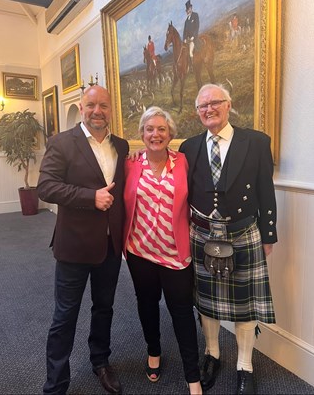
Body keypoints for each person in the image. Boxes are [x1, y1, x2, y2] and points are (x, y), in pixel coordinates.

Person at [179, 84, 277, 395]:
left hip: (243, 232)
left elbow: (265, 190)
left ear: (228, 105)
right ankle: (212, 354)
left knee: (245, 305)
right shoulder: (189, 147)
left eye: (215, 102)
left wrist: (269, 233)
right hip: (202, 234)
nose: (209, 109)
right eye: (202, 106)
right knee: (206, 302)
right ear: (197, 112)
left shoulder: (257, 142)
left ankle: (245, 365)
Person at [37, 85, 129, 395]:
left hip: (110, 247)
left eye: (103, 105)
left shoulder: (123, 146)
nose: (97, 111)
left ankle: (100, 362)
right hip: (74, 247)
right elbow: (46, 187)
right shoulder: (62, 143)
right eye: (91, 105)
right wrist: (90, 197)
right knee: (65, 316)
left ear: (110, 109)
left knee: (104, 309)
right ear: (81, 106)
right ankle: (56, 383)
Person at [123, 106, 202, 395]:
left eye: (161, 129)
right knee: (147, 304)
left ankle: (192, 373)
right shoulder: (130, 164)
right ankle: (153, 351)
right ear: (142, 134)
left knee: (181, 311)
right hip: (139, 251)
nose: (155, 134)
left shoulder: (184, 161)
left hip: (175, 255)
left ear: (170, 134)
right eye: (149, 129)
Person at [183, 0, 200, 68]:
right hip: (188, 40)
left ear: (191, 8)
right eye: (187, 10)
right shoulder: (186, 21)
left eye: (189, 9)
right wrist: (184, 38)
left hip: (194, 38)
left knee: (190, 52)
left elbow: (197, 26)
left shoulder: (195, 15)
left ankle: (194, 66)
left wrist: (193, 36)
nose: (188, 11)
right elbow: (185, 31)